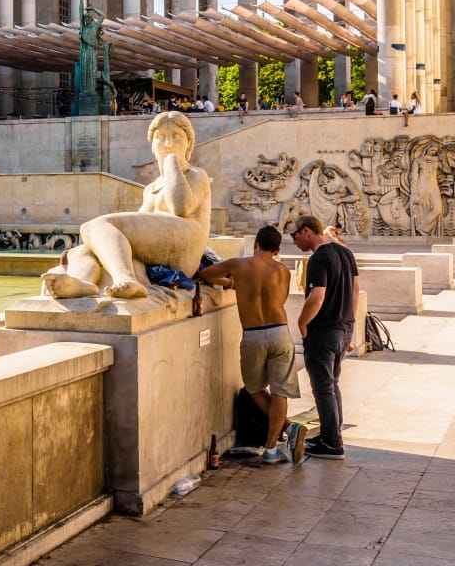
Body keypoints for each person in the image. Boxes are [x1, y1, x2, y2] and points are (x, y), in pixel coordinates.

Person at [44, 111, 211, 300]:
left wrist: (172, 161)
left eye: (176, 137)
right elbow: (130, 236)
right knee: (81, 250)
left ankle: (125, 277)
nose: (168, 144)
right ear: (152, 147)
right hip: (158, 251)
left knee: (94, 226)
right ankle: (83, 283)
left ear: (189, 143)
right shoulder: (150, 189)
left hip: (185, 247)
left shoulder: (196, 175)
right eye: (160, 137)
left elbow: (181, 208)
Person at [197, 225, 307, 464]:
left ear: (255, 243)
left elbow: (205, 274)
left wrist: (230, 282)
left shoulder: (239, 265)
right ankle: (272, 448)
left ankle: (288, 430)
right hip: (279, 331)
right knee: (280, 392)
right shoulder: (283, 272)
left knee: (255, 389)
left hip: (253, 334)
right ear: (277, 250)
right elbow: (281, 299)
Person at [290, 214, 359, 460]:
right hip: (343, 327)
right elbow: (355, 290)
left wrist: (301, 322)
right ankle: (331, 434)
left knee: (323, 387)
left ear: (307, 231)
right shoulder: (344, 252)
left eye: (294, 234)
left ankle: (332, 444)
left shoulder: (318, 258)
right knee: (332, 384)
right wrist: (350, 324)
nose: (293, 240)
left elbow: (317, 296)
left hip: (324, 329)